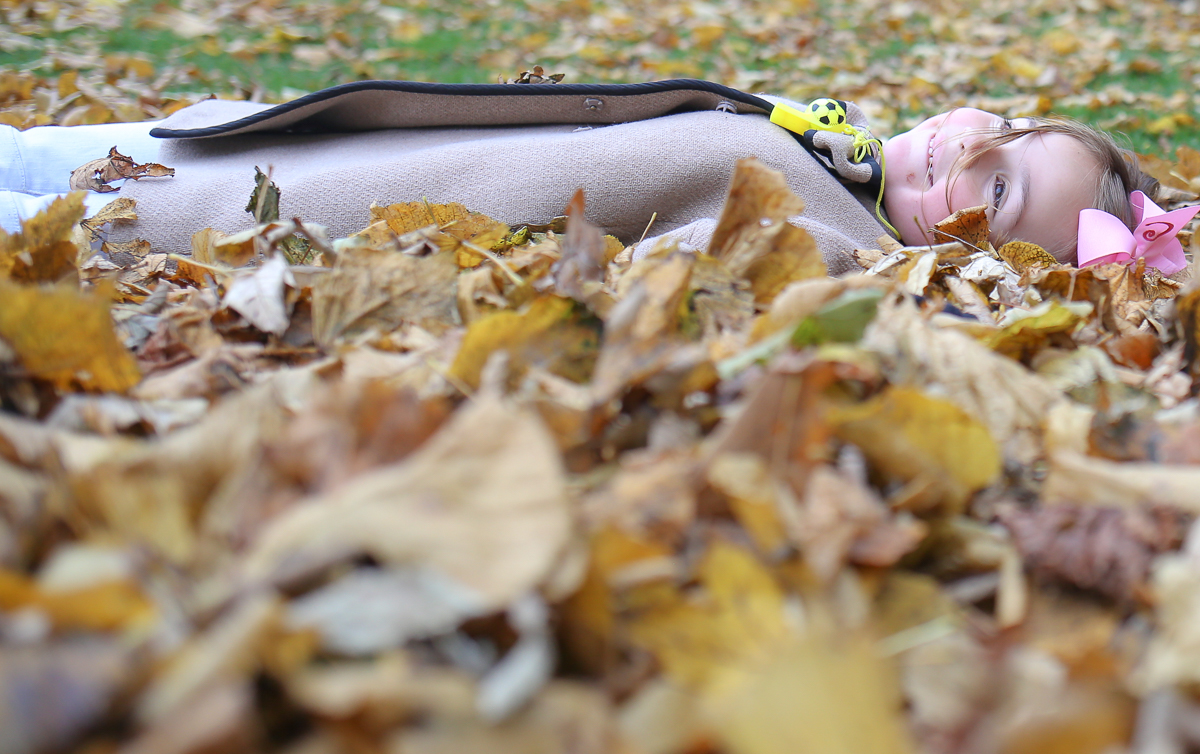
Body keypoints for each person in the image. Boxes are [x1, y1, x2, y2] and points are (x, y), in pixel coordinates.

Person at [0, 80, 1187, 276]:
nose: (966, 150)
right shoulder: (845, 153)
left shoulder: (837, 239)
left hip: (188, 212)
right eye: (1010, 129)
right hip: (248, 135)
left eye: (1002, 194)